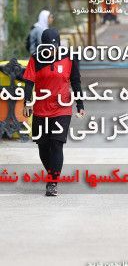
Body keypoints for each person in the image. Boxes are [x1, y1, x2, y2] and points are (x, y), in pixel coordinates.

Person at [23, 28, 85, 196]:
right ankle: (53, 172)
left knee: (57, 144)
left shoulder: (69, 58)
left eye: (53, 47)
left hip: (62, 108)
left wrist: (80, 103)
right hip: (41, 109)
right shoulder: (36, 59)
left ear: (58, 45)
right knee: (43, 146)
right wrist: (27, 102)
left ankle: (52, 183)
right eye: (47, 48)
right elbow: (29, 82)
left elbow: (75, 81)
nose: (50, 51)